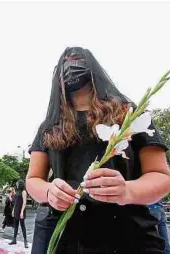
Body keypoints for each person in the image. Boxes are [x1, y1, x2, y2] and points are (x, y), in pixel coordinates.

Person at [26, 46, 170, 253]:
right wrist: (49, 192)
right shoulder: (49, 126)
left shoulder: (129, 113)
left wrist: (128, 191)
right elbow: (33, 180)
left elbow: (161, 175)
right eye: (65, 62)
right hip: (61, 236)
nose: (71, 65)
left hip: (126, 236)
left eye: (78, 59)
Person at [9, 180, 28, 248]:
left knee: (22, 226)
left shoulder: (23, 192)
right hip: (16, 210)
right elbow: (15, 203)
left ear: (20, 184)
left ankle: (25, 241)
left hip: (21, 210)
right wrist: (13, 210)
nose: (16, 184)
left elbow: (24, 202)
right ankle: (14, 240)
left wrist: (22, 211)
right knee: (16, 225)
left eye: (17, 183)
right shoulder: (17, 192)